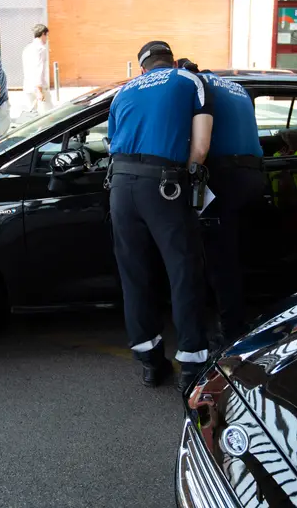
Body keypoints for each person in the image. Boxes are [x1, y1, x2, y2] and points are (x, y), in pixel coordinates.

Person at [107, 42, 213, 391]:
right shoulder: (188, 80)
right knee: (183, 271)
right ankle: (192, 365)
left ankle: (151, 363)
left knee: (134, 274)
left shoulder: (123, 91)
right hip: (165, 185)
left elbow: (113, 143)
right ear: (171, 59)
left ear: (142, 68)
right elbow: (200, 147)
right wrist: (191, 185)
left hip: (121, 187)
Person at [177, 58, 265, 345]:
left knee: (219, 260)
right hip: (252, 175)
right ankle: (242, 316)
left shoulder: (197, 87)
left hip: (223, 177)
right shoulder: (235, 86)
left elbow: (196, 141)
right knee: (236, 252)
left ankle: (231, 332)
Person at [22, 24, 52, 114]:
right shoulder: (40, 49)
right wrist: (39, 91)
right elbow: (39, 69)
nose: (47, 38)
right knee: (48, 116)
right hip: (39, 88)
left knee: (33, 116)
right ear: (43, 34)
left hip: (28, 86)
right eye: (46, 35)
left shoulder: (27, 48)